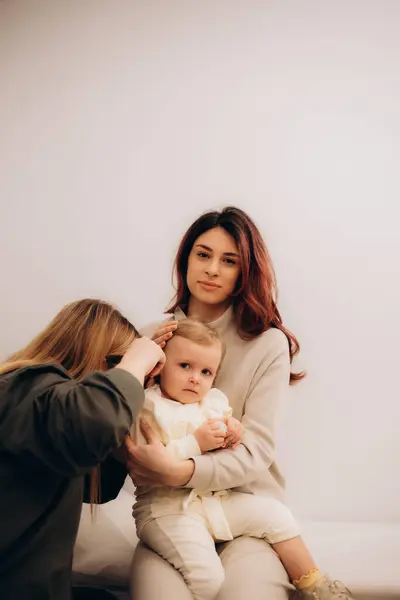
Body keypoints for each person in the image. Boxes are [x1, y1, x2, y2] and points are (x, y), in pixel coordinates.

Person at [126, 206, 352, 600]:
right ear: (185, 261)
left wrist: (177, 469)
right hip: (169, 514)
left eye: (229, 260)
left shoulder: (267, 344)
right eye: (202, 254)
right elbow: (134, 446)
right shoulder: (149, 338)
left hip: (246, 510)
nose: (213, 269)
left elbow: (255, 451)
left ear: (246, 271)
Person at [131, 318, 353, 600]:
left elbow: (236, 440)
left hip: (214, 500)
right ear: (161, 367)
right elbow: (146, 462)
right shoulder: (148, 405)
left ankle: (317, 589)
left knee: (276, 516)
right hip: (168, 508)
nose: (195, 378)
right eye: (184, 366)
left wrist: (234, 430)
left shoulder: (211, 401)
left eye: (206, 371)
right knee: (209, 578)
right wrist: (194, 444)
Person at [0, 298, 165, 600]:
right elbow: (95, 421)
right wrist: (137, 361)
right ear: (97, 356)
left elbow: (95, 489)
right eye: (118, 364)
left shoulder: (36, 404)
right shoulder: (29, 388)